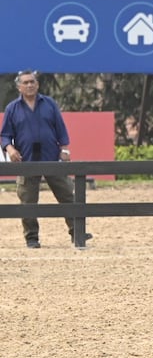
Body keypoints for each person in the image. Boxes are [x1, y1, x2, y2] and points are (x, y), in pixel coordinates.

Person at [0, 70, 92, 248]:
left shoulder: (49, 104)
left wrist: (65, 149)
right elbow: (4, 135)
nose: (29, 85)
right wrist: (10, 148)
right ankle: (32, 238)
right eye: (25, 82)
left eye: (32, 82)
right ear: (19, 86)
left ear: (37, 84)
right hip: (25, 161)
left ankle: (77, 232)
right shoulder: (12, 108)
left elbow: (60, 128)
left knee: (67, 195)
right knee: (27, 201)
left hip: (51, 158)